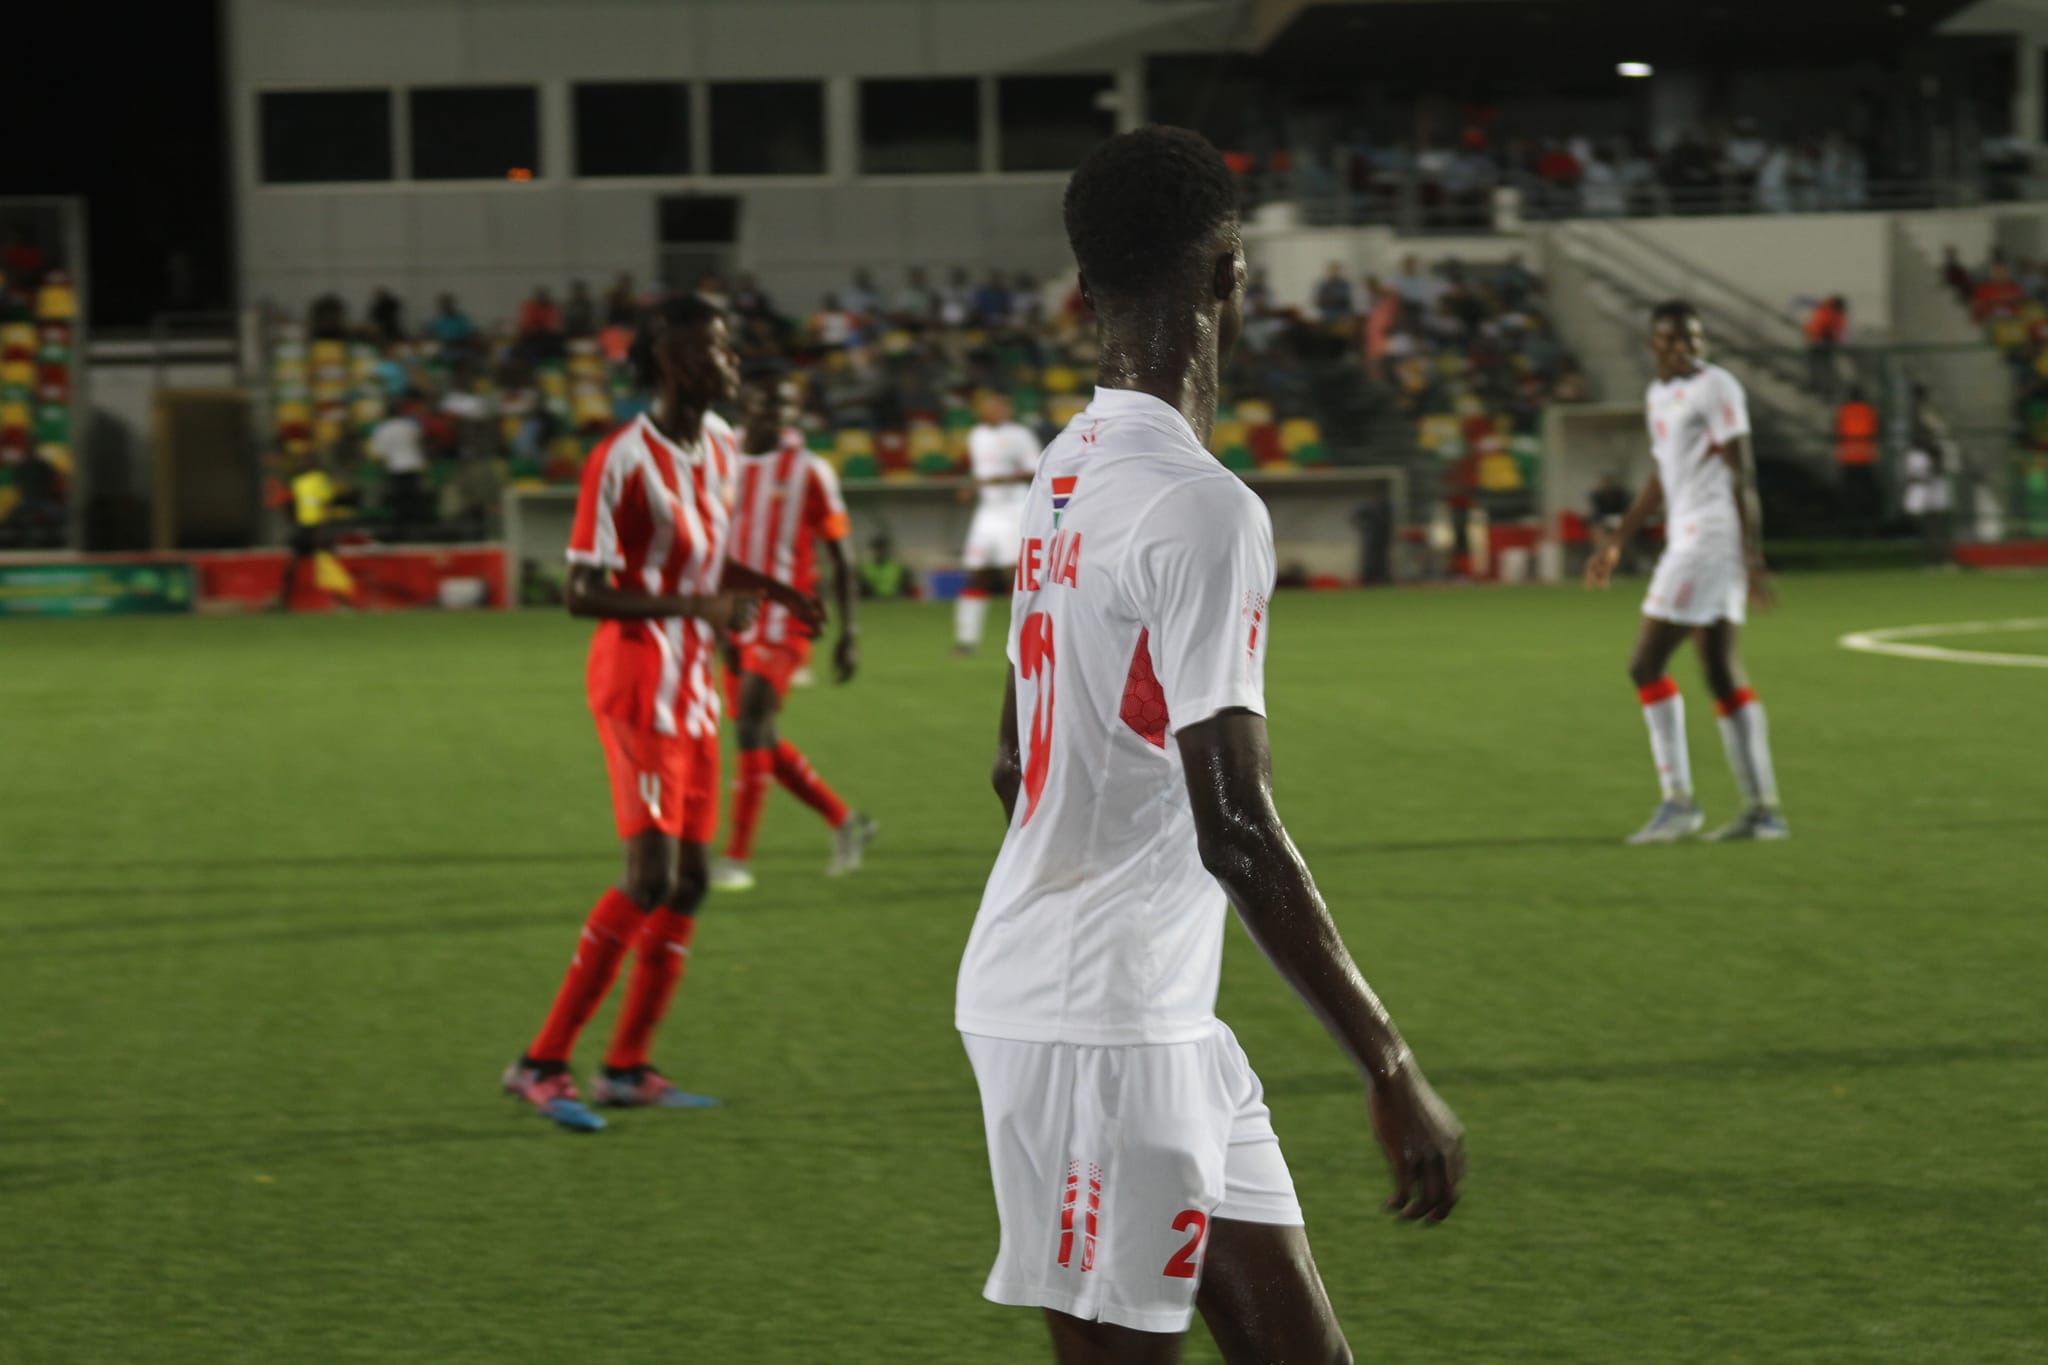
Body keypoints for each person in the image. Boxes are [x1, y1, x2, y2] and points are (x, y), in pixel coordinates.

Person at [957, 124, 1465, 1364]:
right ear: (1230, 272)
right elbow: (1233, 827)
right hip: (1097, 1024)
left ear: (1084, 293)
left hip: (1148, 1015)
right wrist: (1388, 1063)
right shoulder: (1201, 506)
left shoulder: (1063, 467)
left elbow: (1011, 761)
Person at [500, 293, 824, 1131]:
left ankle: (626, 1066)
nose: (732, 362)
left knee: (688, 879)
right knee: (646, 875)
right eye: (718, 349)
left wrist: (772, 587)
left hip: (693, 692)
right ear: (677, 359)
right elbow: (579, 592)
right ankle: (540, 1061)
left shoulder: (720, 445)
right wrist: (697, 609)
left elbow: (712, 559)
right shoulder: (620, 460)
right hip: (637, 685)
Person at [1586, 300, 1788, 843]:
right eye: (1673, 339)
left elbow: (1741, 472)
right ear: (1653, 343)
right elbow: (1662, 475)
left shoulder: (1717, 387)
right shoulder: (1659, 395)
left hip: (1711, 540)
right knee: (1721, 671)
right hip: (1694, 538)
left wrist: (1752, 553)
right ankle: (1763, 809)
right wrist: (1618, 539)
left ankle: (1679, 803)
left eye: (1693, 339)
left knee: (1644, 664)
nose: (1686, 348)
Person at [711, 363, 877, 892]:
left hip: (786, 618)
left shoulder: (810, 470)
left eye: (786, 406)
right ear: (746, 408)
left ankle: (736, 858)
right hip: (729, 616)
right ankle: (846, 820)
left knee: (753, 720)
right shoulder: (718, 461)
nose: (777, 415)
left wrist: (851, 633)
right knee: (760, 737)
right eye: (767, 404)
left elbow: (842, 558)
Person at [953, 389, 1040, 657]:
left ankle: (1031, 640)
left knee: (1015, 575)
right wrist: (973, 486)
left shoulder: (1019, 435)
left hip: (1014, 508)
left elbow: (1034, 470)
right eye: (990, 406)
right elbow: (980, 472)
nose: (995, 411)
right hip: (987, 512)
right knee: (976, 573)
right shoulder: (976, 435)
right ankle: (966, 641)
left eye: (1000, 406)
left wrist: (994, 481)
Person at [275, 452, 358, 610]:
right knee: (292, 564)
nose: (302, 463)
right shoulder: (297, 481)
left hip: (319, 526)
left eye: (306, 459)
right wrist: (291, 521)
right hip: (303, 526)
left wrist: (324, 527)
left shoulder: (320, 480)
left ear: (313, 462)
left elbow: (326, 504)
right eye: (300, 460)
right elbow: (290, 502)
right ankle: (284, 600)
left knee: (327, 564)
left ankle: (341, 601)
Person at [368, 395, 431, 534]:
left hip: (396, 467)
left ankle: (402, 530)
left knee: (400, 500)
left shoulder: (383, 429)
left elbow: (378, 454)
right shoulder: (410, 425)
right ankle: (420, 528)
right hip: (414, 465)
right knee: (416, 498)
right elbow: (422, 441)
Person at [1834, 385, 1881, 536]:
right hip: (1865, 455)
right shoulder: (1868, 411)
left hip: (1849, 455)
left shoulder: (1844, 411)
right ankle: (1867, 524)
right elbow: (1875, 432)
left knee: (1850, 492)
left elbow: (1838, 432)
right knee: (1866, 492)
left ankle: (1849, 523)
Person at [1805, 295, 1847, 400]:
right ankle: (1822, 386)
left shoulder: (1825, 310)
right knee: (1824, 365)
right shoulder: (1831, 312)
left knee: (1818, 364)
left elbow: (1817, 326)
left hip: (1817, 340)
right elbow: (1828, 327)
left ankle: (1818, 385)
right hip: (1822, 340)